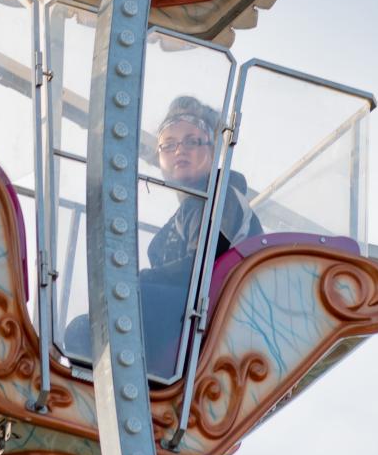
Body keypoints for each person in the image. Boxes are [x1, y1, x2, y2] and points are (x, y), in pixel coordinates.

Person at [62, 95, 260, 375]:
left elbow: (204, 265)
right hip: (180, 315)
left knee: (88, 328)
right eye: (169, 144)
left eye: (192, 141)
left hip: (209, 315)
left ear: (215, 148)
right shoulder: (185, 214)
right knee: (83, 331)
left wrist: (140, 279)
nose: (180, 150)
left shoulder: (222, 197)